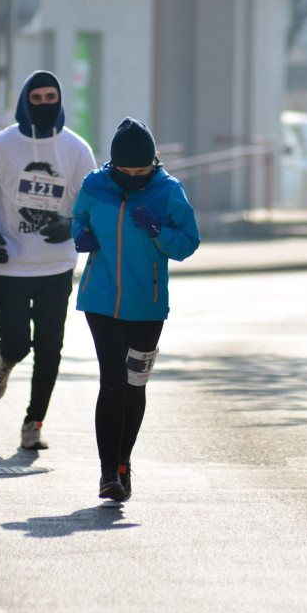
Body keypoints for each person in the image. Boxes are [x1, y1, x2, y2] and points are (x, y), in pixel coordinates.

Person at [0, 70, 96, 450]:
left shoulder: (77, 149)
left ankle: (33, 423)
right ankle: (6, 359)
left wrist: (72, 226)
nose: (43, 105)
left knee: (50, 349)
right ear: (25, 101)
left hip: (56, 265)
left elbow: (93, 204)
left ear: (60, 100)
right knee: (18, 342)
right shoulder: (2, 145)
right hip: (9, 264)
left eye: (50, 98)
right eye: (36, 99)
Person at [72, 117, 200, 502]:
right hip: (100, 300)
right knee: (112, 381)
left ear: (153, 161)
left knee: (134, 385)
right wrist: (81, 235)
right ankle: (107, 472)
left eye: (140, 171)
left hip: (147, 305)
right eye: (124, 171)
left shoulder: (169, 191)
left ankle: (124, 463)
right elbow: (79, 219)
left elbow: (188, 243)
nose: (132, 177)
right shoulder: (95, 184)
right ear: (113, 163)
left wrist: (160, 232)